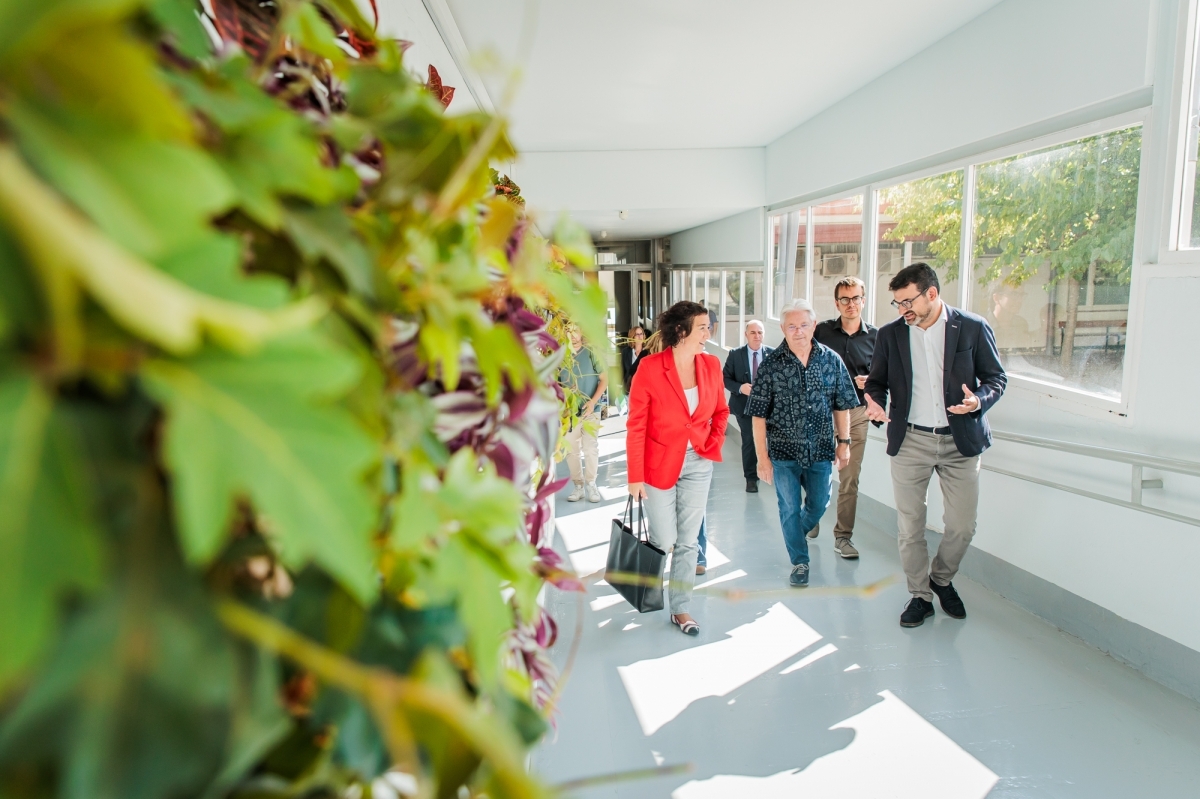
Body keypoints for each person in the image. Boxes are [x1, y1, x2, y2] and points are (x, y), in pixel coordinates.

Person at [863, 263, 1007, 628]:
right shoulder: (892, 335)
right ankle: (920, 595)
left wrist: (978, 401)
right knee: (910, 526)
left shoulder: (972, 327)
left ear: (931, 293)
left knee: (962, 526)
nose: (902, 310)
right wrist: (874, 401)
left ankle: (940, 579)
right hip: (910, 439)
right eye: (897, 304)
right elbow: (876, 381)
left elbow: (996, 378)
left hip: (961, 442)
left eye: (907, 301)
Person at [627, 301, 729, 635]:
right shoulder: (651, 368)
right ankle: (650, 585)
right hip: (659, 463)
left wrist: (711, 443)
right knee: (665, 537)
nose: (708, 333)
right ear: (681, 331)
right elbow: (636, 425)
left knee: (688, 541)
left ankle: (681, 608)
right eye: (702, 327)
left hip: (699, 461)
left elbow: (721, 411)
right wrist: (635, 476)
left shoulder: (711, 365)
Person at [748, 300, 859, 588]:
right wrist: (762, 458)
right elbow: (757, 416)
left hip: (821, 449)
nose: (798, 331)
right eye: (792, 326)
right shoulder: (771, 365)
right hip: (783, 452)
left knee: (820, 503)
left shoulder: (830, 360)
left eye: (804, 325)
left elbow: (842, 405)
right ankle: (800, 561)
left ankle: (794, 533)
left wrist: (844, 443)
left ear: (814, 326)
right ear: (783, 328)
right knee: (788, 507)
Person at [812, 277, 877, 559]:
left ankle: (843, 537)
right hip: (823, 412)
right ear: (837, 303)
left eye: (856, 298)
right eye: (845, 299)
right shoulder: (822, 332)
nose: (851, 304)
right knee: (816, 470)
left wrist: (872, 382)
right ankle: (812, 514)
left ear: (864, 300)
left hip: (857, 414)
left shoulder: (877, 337)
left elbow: (888, 378)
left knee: (850, 478)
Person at [722, 320, 773, 493]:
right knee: (750, 440)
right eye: (753, 332)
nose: (757, 336)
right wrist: (740, 388)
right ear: (746, 334)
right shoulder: (735, 354)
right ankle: (751, 478)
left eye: (760, 332)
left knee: (773, 440)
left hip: (770, 407)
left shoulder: (772, 355)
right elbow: (725, 379)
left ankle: (772, 472)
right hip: (744, 406)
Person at [560, 326, 608, 503]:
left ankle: (591, 484)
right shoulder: (561, 355)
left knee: (590, 448)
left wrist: (592, 402)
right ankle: (578, 486)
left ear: (581, 333)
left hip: (591, 410)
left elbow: (604, 379)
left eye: (576, 331)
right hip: (570, 413)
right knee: (571, 451)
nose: (572, 336)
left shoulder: (591, 352)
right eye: (569, 332)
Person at [621, 326, 646, 395]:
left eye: (641, 334)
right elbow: (623, 372)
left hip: (643, 389)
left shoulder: (648, 352)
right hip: (629, 389)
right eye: (637, 334)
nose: (640, 336)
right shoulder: (626, 352)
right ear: (632, 337)